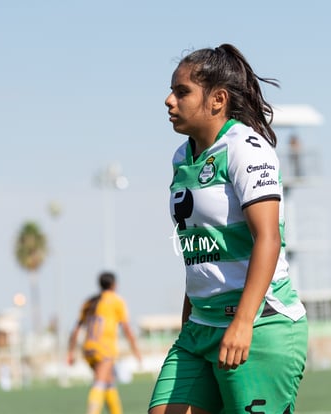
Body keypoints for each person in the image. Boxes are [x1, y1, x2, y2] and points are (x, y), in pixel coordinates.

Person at [148, 44, 308, 414]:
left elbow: (268, 238)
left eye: (182, 91)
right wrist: (189, 318)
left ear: (217, 100)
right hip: (199, 330)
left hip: (259, 326)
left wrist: (242, 322)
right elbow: (200, 247)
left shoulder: (246, 148)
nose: (169, 100)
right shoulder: (181, 157)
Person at [68, 271, 142, 414]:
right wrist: (136, 352)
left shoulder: (89, 301)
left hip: (88, 349)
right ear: (114, 285)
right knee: (100, 382)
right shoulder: (116, 301)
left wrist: (71, 352)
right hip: (104, 349)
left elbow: (76, 329)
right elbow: (127, 329)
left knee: (108, 382)